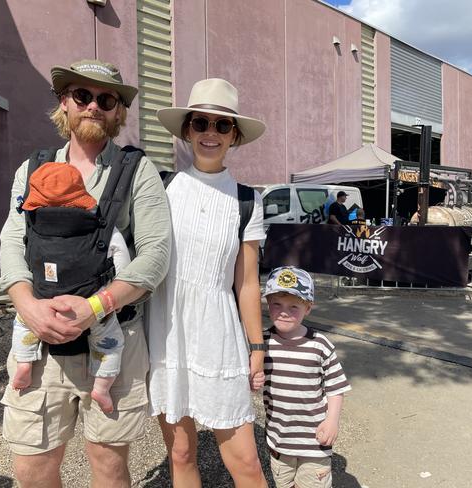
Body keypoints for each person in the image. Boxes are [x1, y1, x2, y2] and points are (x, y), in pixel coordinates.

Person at [0, 59, 171, 488]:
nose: (93, 105)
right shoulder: (32, 170)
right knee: (32, 468)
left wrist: (97, 306)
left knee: (108, 469)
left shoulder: (137, 172)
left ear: (118, 112)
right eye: (82, 96)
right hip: (39, 344)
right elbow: (11, 241)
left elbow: (156, 255)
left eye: (105, 99)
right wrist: (27, 307)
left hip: (112, 342)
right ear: (64, 104)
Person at [148, 78, 268, 487]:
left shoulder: (247, 200)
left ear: (234, 135)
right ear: (187, 130)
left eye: (222, 126)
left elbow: (247, 284)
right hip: (166, 332)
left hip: (219, 334)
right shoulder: (161, 189)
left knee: (247, 463)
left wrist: (256, 347)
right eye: (201, 123)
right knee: (180, 454)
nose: (210, 134)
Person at [10, 162, 129, 415]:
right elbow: (123, 264)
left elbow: (18, 258)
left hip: (41, 303)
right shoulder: (101, 226)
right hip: (90, 304)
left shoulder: (32, 227)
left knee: (23, 322)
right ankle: (102, 386)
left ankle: (24, 363)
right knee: (110, 343)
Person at [262, 266, 351, 488]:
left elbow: (335, 387)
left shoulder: (320, 345)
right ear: (267, 303)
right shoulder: (261, 344)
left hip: (314, 440)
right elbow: (251, 380)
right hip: (279, 439)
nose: (284, 312)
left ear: (308, 308)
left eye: (294, 306)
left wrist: (332, 421)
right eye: (277, 304)